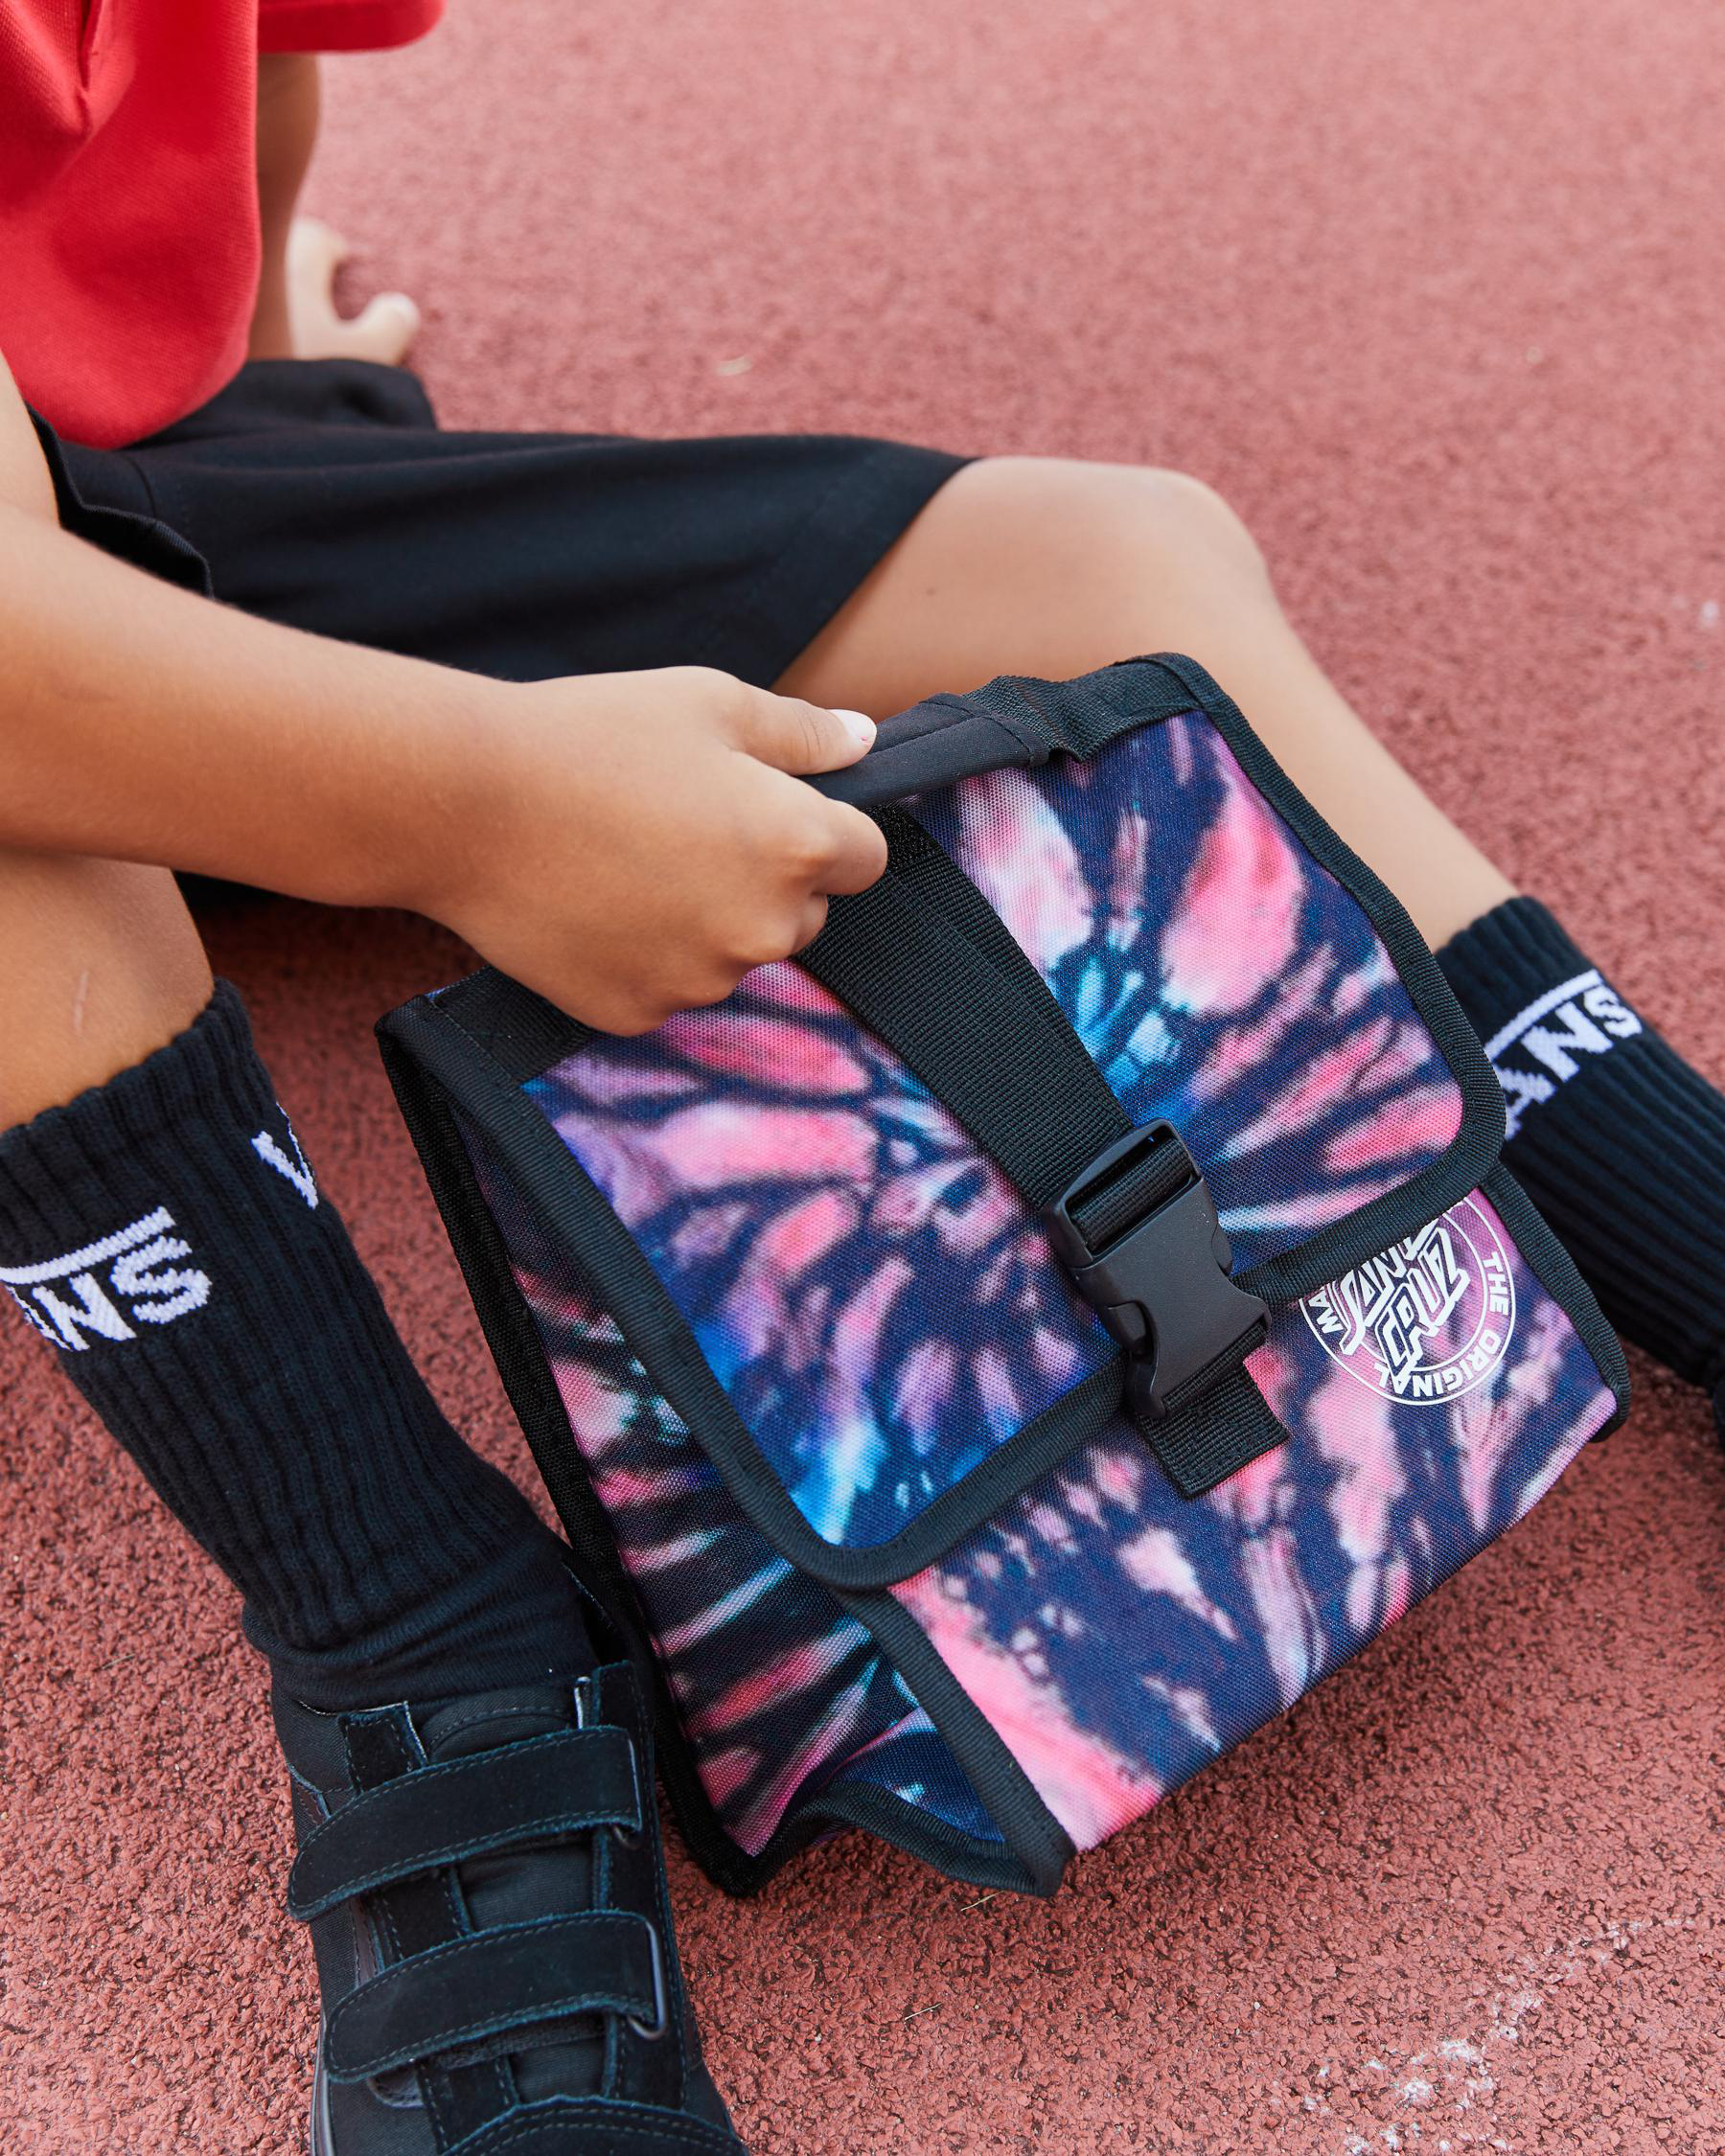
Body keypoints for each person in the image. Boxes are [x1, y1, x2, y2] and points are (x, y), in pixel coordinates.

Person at [4, 4, 1721, 2153]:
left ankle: (1689, 1221)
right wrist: (470, 810)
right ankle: (419, 1634)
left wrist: (256, 399)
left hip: (78, 488)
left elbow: (244, 65)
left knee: (1121, 563)